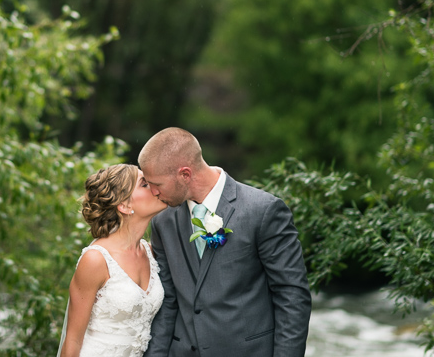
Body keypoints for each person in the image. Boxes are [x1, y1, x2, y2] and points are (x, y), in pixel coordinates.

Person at [139, 127, 311, 357]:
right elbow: (167, 301)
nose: (152, 192)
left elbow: (292, 295)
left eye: (156, 184)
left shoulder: (263, 211)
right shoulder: (162, 221)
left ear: (185, 174)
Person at [58, 164, 169, 357]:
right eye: (144, 184)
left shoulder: (150, 252)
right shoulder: (96, 259)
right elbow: (73, 340)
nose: (154, 187)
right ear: (125, 206)